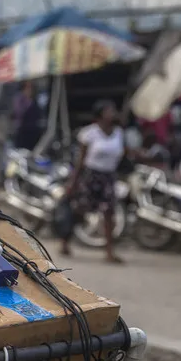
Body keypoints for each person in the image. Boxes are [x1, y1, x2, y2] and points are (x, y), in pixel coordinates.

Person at [63, 100, 126, 264]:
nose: (112, 114)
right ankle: (65, 240)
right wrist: (73, 181)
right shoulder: (89, 133)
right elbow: (81, 160)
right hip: (91, 175)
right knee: (80, 210)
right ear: (99, 115)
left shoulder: (118, 133)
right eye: (108, 111)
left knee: (109, 213)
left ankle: (109, 251)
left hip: (109, 176)